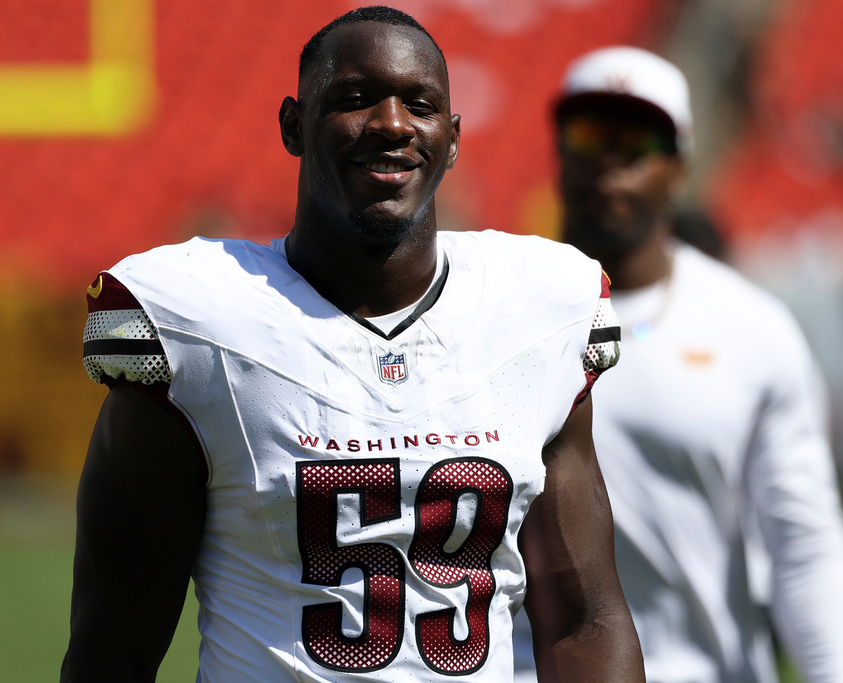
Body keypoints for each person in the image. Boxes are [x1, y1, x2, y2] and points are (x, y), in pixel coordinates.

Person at [61, 8, 644, 682]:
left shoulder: (540, 309)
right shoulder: (199, 320)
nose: (392, 124)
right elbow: (114, 644)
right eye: (355, 99)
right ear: (292, 125)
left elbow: (584, 618)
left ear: (452, 139)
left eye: (419, 104)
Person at [513, 46, 843, 683]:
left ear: (681, 165)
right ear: (557, 153)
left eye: (635, 139)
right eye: (586, 134)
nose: (608, 157)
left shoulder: (753, 329)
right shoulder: (493, 313)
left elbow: (803, 542)